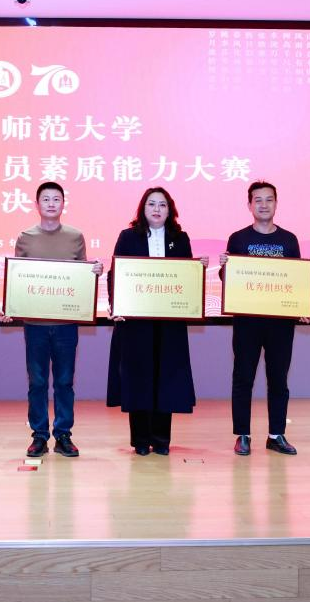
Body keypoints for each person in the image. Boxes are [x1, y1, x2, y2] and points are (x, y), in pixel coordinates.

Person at [0, 182, 103, 458]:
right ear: (37, 204)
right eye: (45, 199)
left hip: (66, 324)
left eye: (56, 199)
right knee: (37, 382)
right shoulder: (25, 237)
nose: (51, 204)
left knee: (65, 382)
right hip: (35, 325)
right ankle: (39, 435)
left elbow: (81, 277)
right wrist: (9, 305)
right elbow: (19, 278)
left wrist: (94, 271)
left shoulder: (75, 236)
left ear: (63, 204)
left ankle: (63, 434)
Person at [106, 187, 197, 456]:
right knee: (138, 378)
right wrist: (116, 305)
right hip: (136, 323)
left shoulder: (180, 238)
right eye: (151, 204)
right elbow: (116, 273)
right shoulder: (128, 237)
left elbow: (187, 278)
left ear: (170, 210)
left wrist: (197, 272)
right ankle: (140, 440)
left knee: (166, 378)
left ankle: (161, 440)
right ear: (142, 209)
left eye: (162, 205)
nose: (157, 209)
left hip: (169, 323)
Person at [219, 181, 307, 457]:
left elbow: (297, 279)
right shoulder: (238, 238)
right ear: (249, 205)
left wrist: (302, 304)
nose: (264, 205)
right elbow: (230, 279)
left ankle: (276, 435)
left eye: (269, 199)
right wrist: (224, 268)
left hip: (280, 323)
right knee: (243, 377)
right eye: (258, 200)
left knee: (278, 379)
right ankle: (242, 435)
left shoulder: (289, 240)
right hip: (247, 321)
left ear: (276, 204)